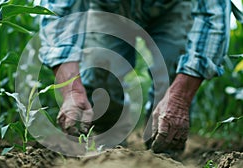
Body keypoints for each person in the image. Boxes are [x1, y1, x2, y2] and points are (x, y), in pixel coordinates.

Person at [39, 0, 230, 153]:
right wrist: (73, 92)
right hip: (108, 9)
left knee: (173, 74)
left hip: (172, 8)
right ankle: (107, 138)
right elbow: (58, 16)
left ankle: (162, 144)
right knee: (101, 78)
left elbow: (213, 14)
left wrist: (179, 99)